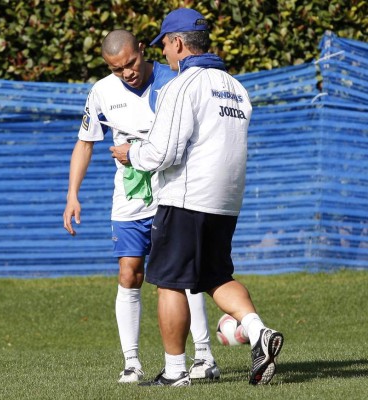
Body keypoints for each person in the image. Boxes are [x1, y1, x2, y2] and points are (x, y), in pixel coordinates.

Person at [110, 8, 284, 387]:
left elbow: (164, 152)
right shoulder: (235, 86)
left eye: (166, 47)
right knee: (216, 275)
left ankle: (174, 372)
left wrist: (132, 155)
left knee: (169, 281)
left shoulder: (183, 85)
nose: (166, 56)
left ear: (177, 43)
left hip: (187, 198)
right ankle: (258, 333)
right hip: (226, 200)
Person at [63, 29, 220, 384]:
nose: (127, 73)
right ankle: (132, 362)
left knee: (182, 276)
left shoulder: (175, 82)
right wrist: (72, 195)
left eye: (131, 63)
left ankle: (204, 356)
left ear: (142, 51)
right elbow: (85, 143)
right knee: (129, 272)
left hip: (174, 192)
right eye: (117, 69)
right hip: (130, 198)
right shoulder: (101, 92)